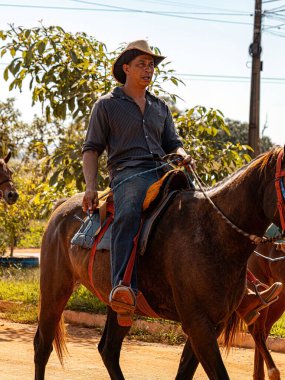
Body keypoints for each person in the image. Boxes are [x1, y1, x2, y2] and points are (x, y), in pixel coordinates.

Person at [82, 40, 282, 327]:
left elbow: (173, 144)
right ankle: (122, 286)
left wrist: (183, 155)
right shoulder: (107, 105)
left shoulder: (159, 107)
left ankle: (246, 291)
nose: (148, 69)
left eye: (151, 65)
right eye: (142, 64)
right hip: (128, 175)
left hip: (165, 171)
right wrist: (90, 185)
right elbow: (91, 149)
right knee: (128, 213)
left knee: (205, 212)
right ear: (125, 67)